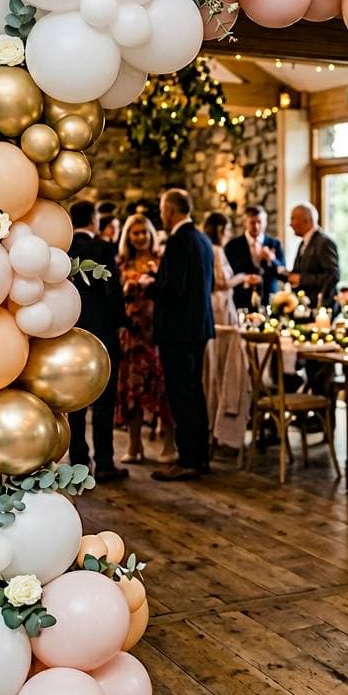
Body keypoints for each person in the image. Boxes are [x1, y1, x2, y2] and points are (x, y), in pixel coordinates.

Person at [152, 189, 215, 482]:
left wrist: (148, 284)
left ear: (172, 210)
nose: (161, 215)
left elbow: (172, 289)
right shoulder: (202, 239)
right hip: (199, 327)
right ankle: (200, 456)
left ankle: (188, 459)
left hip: (177, 331)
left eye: (163, 209)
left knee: (182, 395)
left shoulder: (178, 241)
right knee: (195, 392)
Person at [67, 200, 128, 481]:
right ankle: (105, 462)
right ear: (93, 220)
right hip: (102, 335)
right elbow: (113, 294)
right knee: (104, 401)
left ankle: (78, 461)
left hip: (72, 335)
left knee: (75, 400)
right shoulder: (102, 249)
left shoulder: (63, 250)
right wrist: (121, 323)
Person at [115, 212, 169, 464]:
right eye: (135, 233)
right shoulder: (122, 262)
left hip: (156, 332)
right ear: (128, 236)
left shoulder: (160, 260)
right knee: (132, 392)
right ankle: (135, 446)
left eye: (144, 232)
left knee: (163, 389)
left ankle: (170, 444)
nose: (140, 237)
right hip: (132, 335)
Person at [223, 205, 285, 311]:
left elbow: (283, 275)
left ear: (265, 223)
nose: (256, 226)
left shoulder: (275, 244)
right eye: (252, 222)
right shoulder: (232, 246)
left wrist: (271, 259)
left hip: (270, 300)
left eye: (259, 222)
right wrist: (245, 279)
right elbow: (228, 274)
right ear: (245, 223)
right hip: (241, 301)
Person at [287, 202, 339, 310]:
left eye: (293, 219)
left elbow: (333, 275)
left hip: (321, 308)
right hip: (305, 308)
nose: (290, 224)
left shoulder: (324, 243)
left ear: (306, 220)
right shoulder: (303, 243)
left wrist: (302, 279)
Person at [202, 212, 250, 326]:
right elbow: (221, 283)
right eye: (228, 229)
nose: (230, 234)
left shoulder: (206, 248)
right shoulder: (217, 251)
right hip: (220, 305)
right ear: (220, 230)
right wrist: (242, 277)